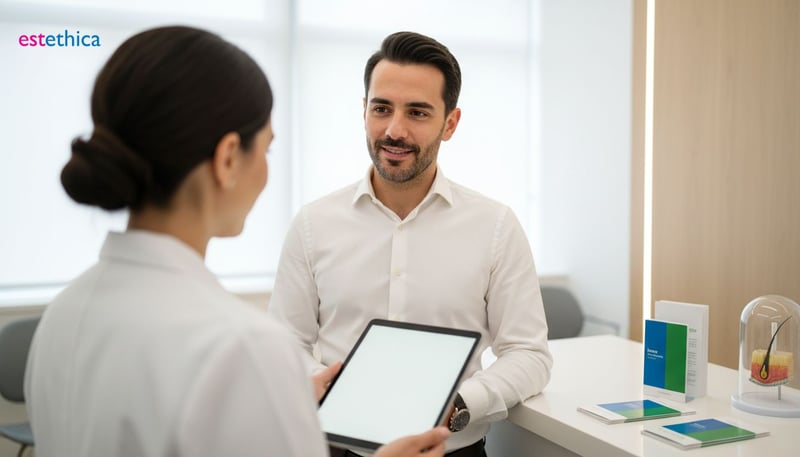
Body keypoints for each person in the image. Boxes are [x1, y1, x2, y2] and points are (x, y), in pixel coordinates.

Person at [24, 26, 449, 457]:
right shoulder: (242, 346)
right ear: (228, 158)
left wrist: (275, 398)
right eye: (265, 149)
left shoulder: (63, 314)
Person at [267, 31, 553, 457]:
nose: (394, 130)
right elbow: (284, 343)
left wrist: (459, 406)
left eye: (417, 113)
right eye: (382, 108)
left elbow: (529, 354)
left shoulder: (495, 226)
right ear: (364, 111)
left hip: (451, 450)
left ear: (450, 123)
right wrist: (329, 386)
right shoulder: (314, 224)